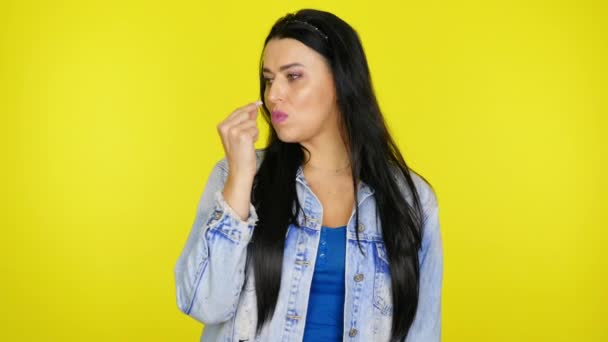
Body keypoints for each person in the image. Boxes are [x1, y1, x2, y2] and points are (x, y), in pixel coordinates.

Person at [174, 8, 443, 342]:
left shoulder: (410, 198)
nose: (273, 95)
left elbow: (422, 331)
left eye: (293, 76)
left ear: (341, 81)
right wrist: (241, 180)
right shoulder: (237, 175)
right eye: (269, 79)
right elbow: (204, 304)